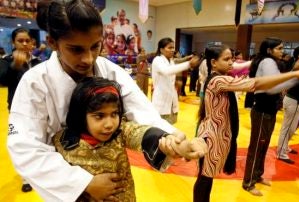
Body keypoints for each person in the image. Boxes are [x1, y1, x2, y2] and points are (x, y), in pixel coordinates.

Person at [6, 1, 204, 201]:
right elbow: (26, 147)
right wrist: (83, 183)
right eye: (76, 49)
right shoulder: (35, 83)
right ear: (52, 43)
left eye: (95, 46)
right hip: (69, 188)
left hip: (116, 187)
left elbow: (143, 114)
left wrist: (172, 140)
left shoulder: (110, 71)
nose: (89, 59)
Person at [53, 77, 208, 201]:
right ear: (81, 116)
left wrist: (173, 143)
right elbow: (57, 178)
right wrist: (85, 185)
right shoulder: (63, 142)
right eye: (99, 116)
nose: (109, 124)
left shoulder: (120, 131)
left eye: (114, 114)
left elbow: (142, 133)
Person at [193, 44, 299, 202]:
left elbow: (243, 68)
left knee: (207, 178)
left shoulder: (221, 76)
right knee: (205, 179)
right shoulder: (218, 80)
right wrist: (295, 74)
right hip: (212, 137)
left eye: (232, 59)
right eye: (227, 59)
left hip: (220, 135)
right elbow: (256, 84)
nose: (231, 63)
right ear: (214, 62)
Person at [242, 37, 299, 196]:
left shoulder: (271, 62)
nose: (282, 51)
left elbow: (277, 86)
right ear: (269, 50)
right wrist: (296, 76)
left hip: (268, 110)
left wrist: (296, 77)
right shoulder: (267, 62)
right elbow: (272, 89)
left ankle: (257, 175)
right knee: (257, 147)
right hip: (262, 111)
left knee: (263, 146)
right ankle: (248, 183)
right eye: (279, 48)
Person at [0, 27, 42, 193]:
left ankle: (39, 171)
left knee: (39, 140)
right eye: (20, 40)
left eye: (27, 40)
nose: (24, 44)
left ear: (32, 42)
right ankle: (26, 177)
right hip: (18, 110)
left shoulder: (38, 62)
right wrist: (14, 66)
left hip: (39, 108)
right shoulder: (6, 60)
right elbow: (2, 81)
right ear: (13, 43)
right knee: (22, 142)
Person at [151, 37, 200, 124]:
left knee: (171, 129)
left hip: (171, 100)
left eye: (173, 47)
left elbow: (171, 73)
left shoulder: (171, 61)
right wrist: (188, 64)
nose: (173, 50)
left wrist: (176, 83)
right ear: (161, 49)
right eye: (169, 48)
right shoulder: (157, 60)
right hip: (161, 101)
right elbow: (167, 71)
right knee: (162, 131)